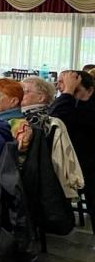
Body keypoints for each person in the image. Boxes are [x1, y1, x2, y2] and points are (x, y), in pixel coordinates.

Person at [20, 76, 84, 198]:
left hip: (34, 180)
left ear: (41, 97)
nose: (19, 94)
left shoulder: (37, 121)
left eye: (24, 91)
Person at [49, 71, 95, 223]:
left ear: (90, 90)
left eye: (75, 90)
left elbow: (55, 116)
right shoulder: (73, 106)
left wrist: (68, 91)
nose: (65, 91)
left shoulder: (88, 109)